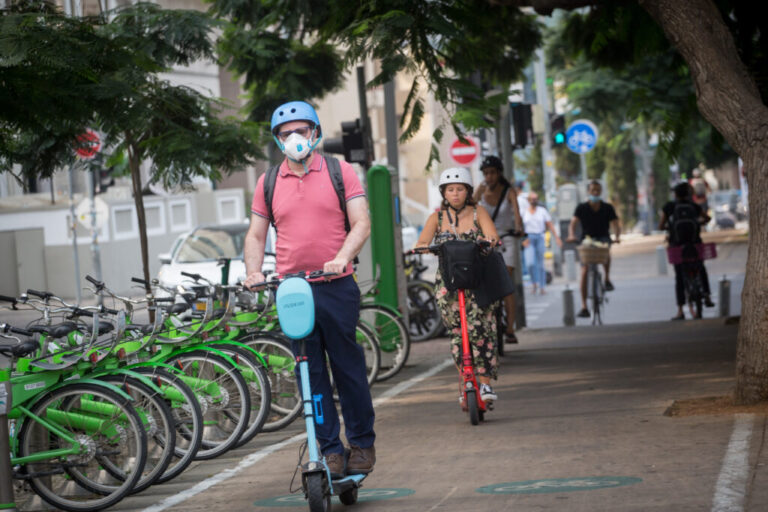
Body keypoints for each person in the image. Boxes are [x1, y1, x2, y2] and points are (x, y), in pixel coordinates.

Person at [243, 100, 375, 479]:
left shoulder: (339, 170)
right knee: (309, 372)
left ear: (315, 133)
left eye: (302, 131)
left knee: (347, 367)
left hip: (335, 285)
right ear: (277, 140)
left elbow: (361, 223)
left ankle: (362, 444)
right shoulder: (268, 182)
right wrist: (253, 271)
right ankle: (330, 450)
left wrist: (341, 257)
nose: (295, 138)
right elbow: (256, 233)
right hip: (292, 291)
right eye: (286, 134)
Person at [416, 167, 501, 405]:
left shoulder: (478, 213)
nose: (455, 194)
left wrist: (488, 241)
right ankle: (465, 381)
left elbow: (492, 236)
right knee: (457, 333)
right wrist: (423, 246)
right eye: (450, 190)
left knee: (482, 330)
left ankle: (484, 384)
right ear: (444, 192)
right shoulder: (437, 218)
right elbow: (422, 241)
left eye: (460, 189)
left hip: (478, 281)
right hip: (449, 284)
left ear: (468, 191)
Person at [473, 155, 523, 344]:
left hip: (507, 238)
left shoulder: (509, 192)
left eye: (492, 173)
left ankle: (510, 328)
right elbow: (470, 209)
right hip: (486, 240)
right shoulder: (480, 190)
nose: (489, 177)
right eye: (486, 173)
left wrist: (519, 228)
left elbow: (517, 215)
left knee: (507, 280)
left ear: (499, 173)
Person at [658, 182, 715, 320]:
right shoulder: (693, 206)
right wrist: (699, 223)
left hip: (677, 246)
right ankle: (706, 295)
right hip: (694, 244)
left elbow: (661, 225)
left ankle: (680, 311)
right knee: (700, 268)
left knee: (679, 277)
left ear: (675, 194)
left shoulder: (669, 207)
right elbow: (707, 218)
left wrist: (669, 228)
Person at [566, 180, 621, 318]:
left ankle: (607, 278)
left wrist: (617, 237)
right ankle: (584, 306)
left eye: (598, 190)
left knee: (606, 251)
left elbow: (615, 224)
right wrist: (572, 235)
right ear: (588, 192)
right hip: (587, 240)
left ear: (601, 191)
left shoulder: (608, 207)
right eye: (593, 190)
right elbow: (573, 224)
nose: (595, 193)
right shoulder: (582, 208)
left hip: (603, 238)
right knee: (584, 270)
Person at [521, 191, 562, 295]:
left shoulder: (542, 211)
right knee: (530, 263)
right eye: (532, 199)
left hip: (539, 237)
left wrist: (557, 238)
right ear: (528, 200)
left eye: (536, 199)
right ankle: (534, 283)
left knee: (540, 264)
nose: (534, 201)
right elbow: (520, 227)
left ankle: (542, 287)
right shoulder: (524, 212)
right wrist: (522, 239)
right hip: (529, 238)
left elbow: (550, 224)